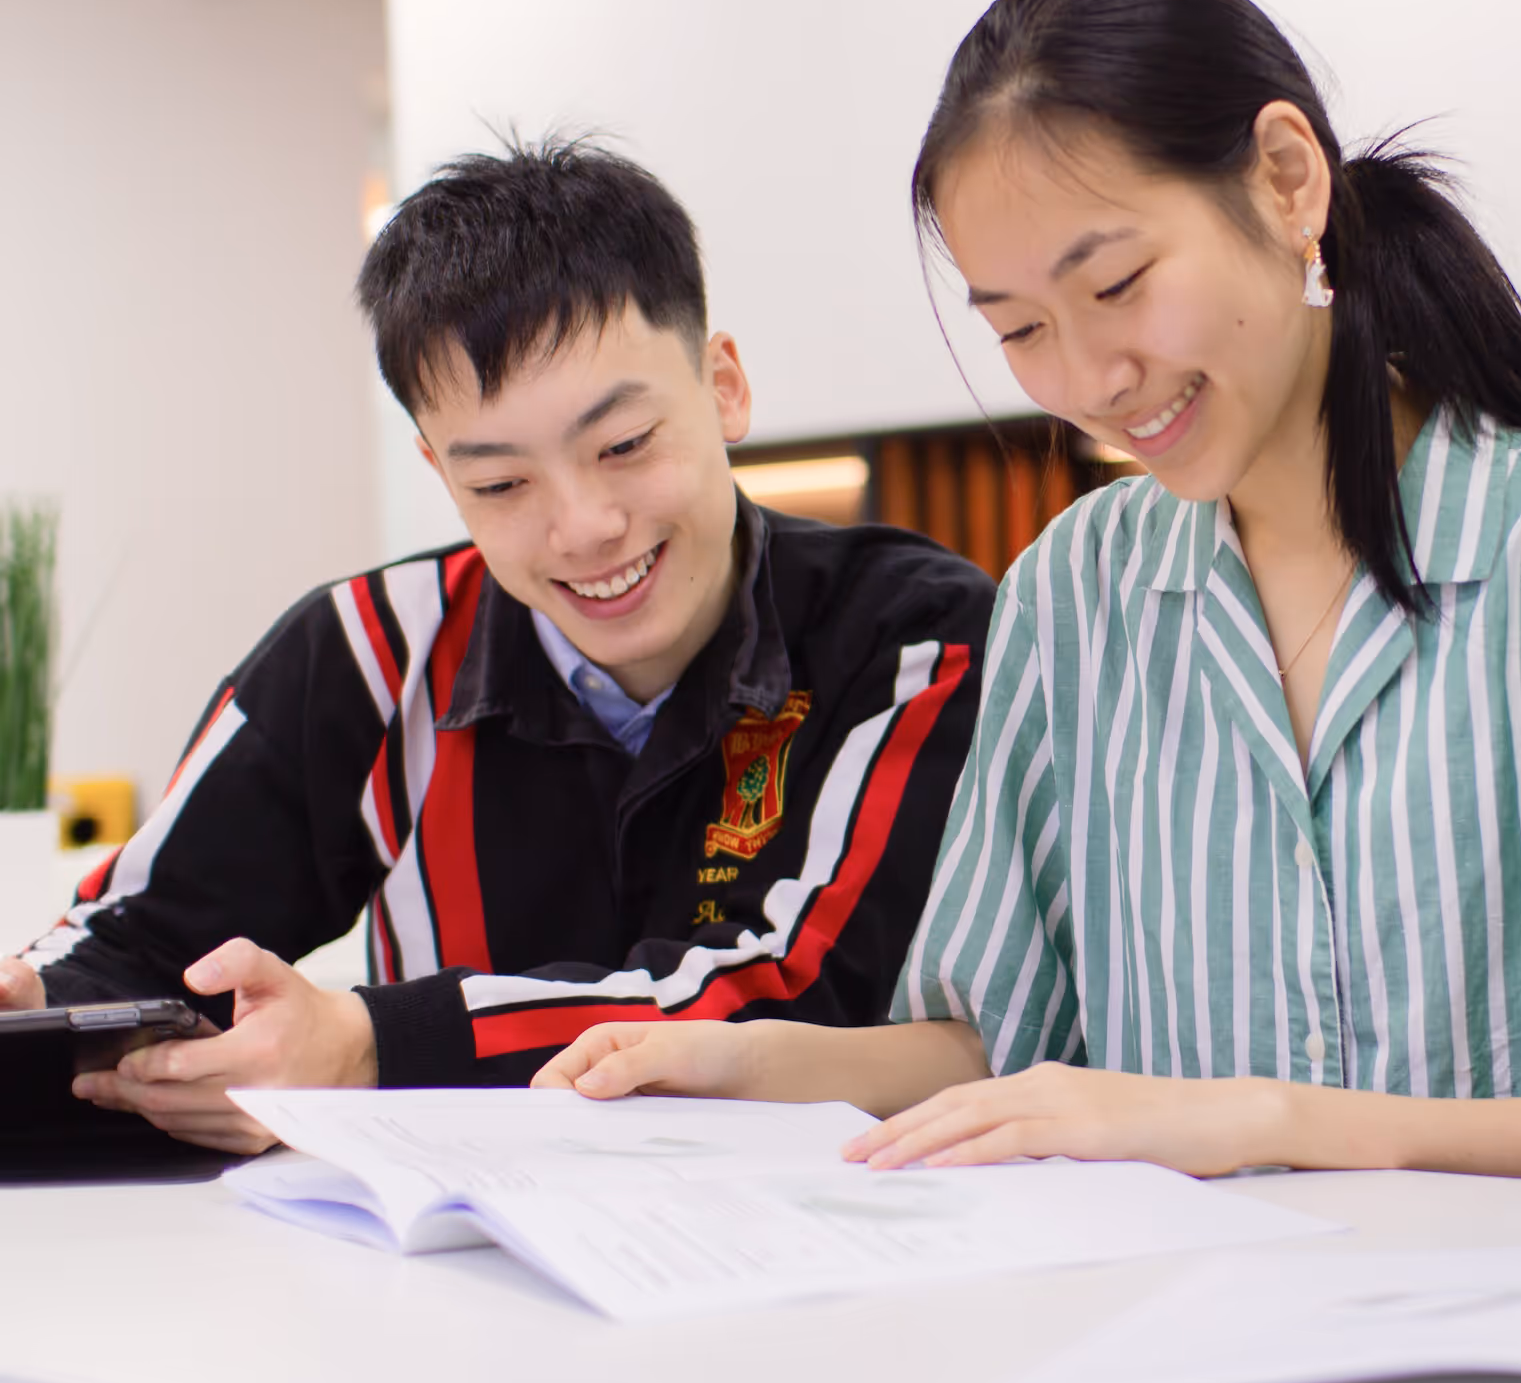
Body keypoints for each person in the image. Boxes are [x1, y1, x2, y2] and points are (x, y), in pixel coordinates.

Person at [535, 0, 1521, 1180]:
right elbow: (991, 1050)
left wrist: (1269, 1122)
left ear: (1285, 180)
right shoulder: (1073, 591)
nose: (1090, 379)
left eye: (1117, 283)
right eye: (1021, 329)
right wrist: (744, 1062)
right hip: (1170, 1335)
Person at [0, 140, 993, 1153]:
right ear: (439, 472)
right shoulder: (369, 653)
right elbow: (141, 934)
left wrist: (372, 1043)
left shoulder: (906, 632)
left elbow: (797, 982)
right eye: (501, 483)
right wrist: (42, 1000)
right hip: (446, 1260)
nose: (583, 527)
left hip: (823, 1239)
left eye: (623, 445)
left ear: (723, 384)